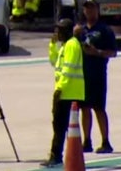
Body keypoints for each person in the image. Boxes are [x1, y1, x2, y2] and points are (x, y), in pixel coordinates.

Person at [41, 18, 85, 168]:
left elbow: (69, 68)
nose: (57, 33)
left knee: (60, 126)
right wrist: (53, 45)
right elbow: (54, 61)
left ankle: (56, 155)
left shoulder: (72, 45)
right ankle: (58, 154)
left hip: (68, 93)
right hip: (66, 91)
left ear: (67, 31)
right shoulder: (65, 46)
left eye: (59, 30)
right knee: (58, 125)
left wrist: (60, 88)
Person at [80, 0, 117, 153]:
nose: (90, 11)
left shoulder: (104, 30)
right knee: (84, 108)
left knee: (99, 108)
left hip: (98, 74)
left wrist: (97, 53)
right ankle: (86, 140)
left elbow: (113, 52)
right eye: (87, 9)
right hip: (82, 75)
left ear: (98, 10)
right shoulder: (80, 30)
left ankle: (106, 141)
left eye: (92, 8)